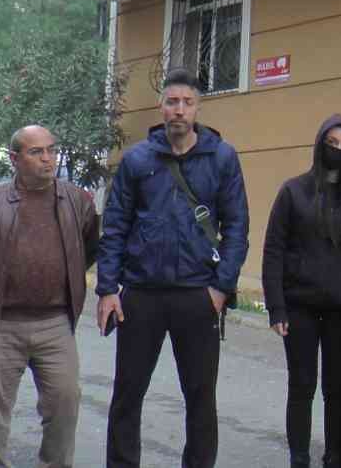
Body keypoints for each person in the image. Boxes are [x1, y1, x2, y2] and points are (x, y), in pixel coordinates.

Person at [96, 68, 251, 468]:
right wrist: (108, 289)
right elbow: (114, 225)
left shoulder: (222, 157)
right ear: (160, 106)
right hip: (141, 294)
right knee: (128, 393)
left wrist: (221, 288)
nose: (179, 110)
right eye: (171, 101)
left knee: (200, 398)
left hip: (197, 294)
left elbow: (237, 228)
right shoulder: (137, 160)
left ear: (198, 107)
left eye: (187, 102)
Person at [0, 125, 101, 468]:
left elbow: (87, 248)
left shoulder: (75, 200)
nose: (48, 159)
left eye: (51, 150)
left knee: (65, 402)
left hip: (55, 323)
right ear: (15, 158)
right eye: (36, 152)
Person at [262, 114, 341, 468]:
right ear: (320, 144)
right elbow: (273, 250)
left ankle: (334, 455)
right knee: (302, 386)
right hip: (299, 306)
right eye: (332, 143)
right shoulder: (293, 190)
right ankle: (299, 457)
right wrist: (276, 307)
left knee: (337, 390)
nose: (337, 151)